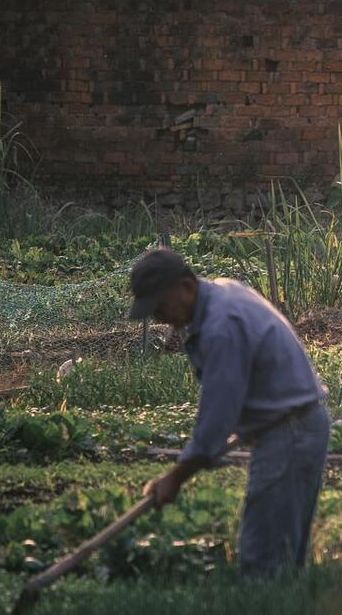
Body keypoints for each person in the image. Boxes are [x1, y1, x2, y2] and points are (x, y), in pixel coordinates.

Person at [128, 248, 330, 578]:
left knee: (262, 559)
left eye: (160, 306)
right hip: (296, 426)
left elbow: (217, 415)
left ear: (186, 287)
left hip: (289, 432)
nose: (159, 319)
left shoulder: (220, 326)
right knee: (281, 555)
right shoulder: (223, 293)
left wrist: (175, 478)